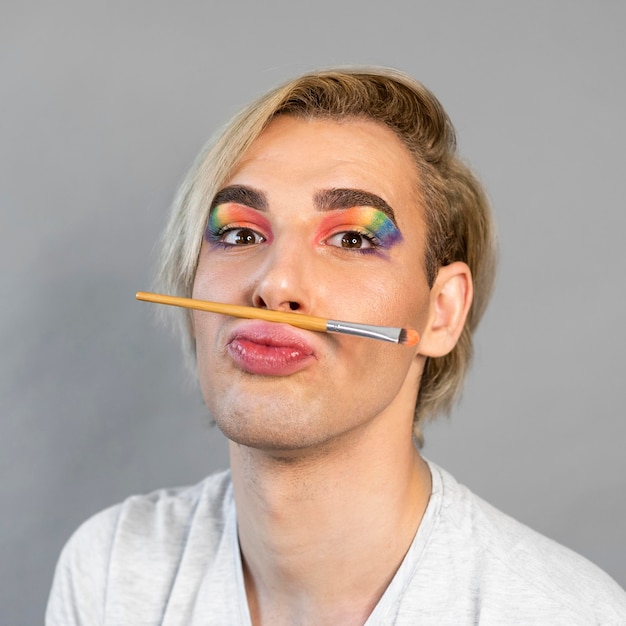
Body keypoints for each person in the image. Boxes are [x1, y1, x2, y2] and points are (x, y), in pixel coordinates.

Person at [47, 67, 626, 625]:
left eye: (351, 238)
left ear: (442, 310)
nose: (275, 285)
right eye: (240, 233)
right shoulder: (112, 570)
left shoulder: (563, 614)